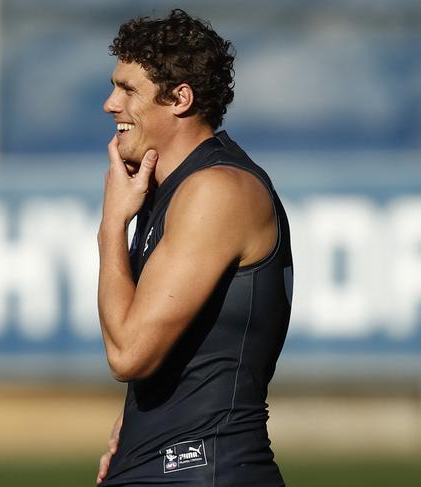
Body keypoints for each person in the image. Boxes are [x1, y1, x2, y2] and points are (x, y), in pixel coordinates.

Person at [96, 9, 293, 487]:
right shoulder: (170, 190)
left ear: (180, 99)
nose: (109, 104)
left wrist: (110, 228)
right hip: (166, 467)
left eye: (128, 89)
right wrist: (138, 428)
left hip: (203, 469)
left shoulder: (216, 190)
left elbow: (129, 354)